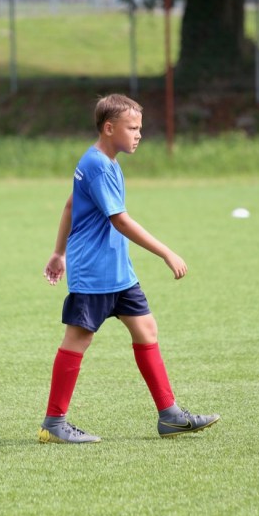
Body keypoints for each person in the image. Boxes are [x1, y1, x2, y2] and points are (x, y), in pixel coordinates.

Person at [38, 94, 220, 443]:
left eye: (140, 128)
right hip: (95, 271)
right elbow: (119, 220)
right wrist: (166, 252)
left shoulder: (106, 162)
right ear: (109, 128)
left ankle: (170, 416)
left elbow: (70, 204)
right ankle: (54, 422)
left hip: (118, 271)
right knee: (79, 338)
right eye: (132, 128)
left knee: (146, 329)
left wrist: (59, 252)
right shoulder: (97, 165)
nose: (139, 134)